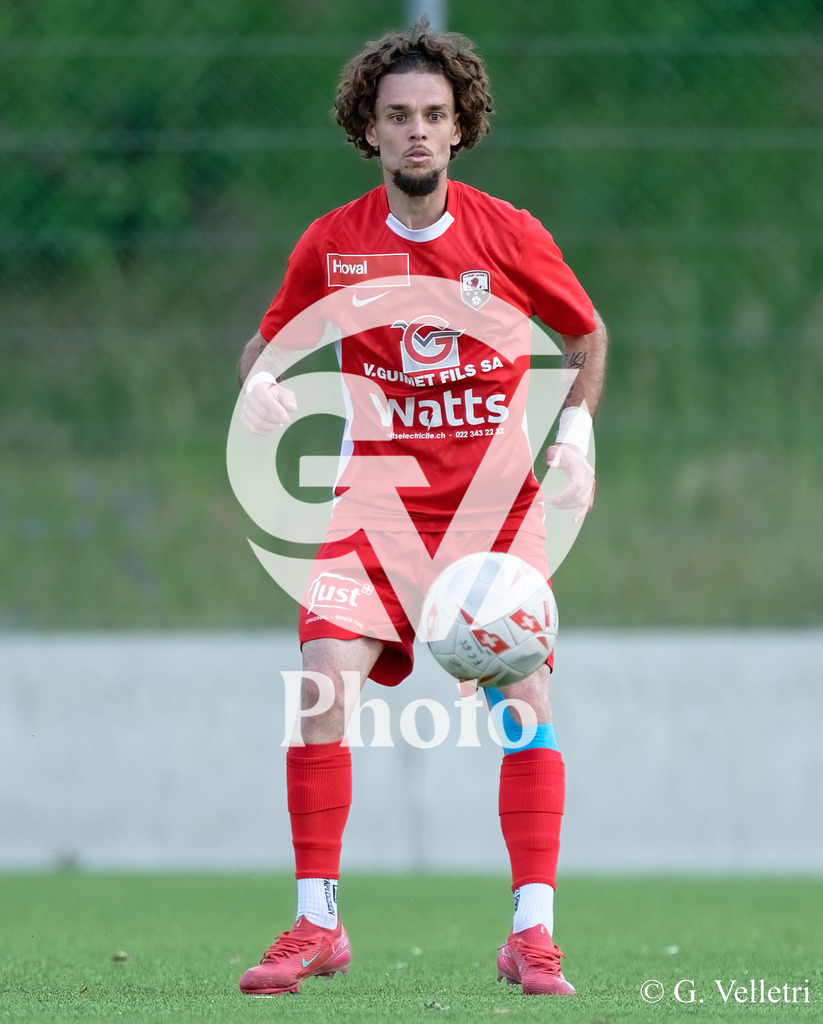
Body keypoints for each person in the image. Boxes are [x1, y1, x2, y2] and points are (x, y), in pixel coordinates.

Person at [235, 19, 608, 998]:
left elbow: (585, 333)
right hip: (373, 510)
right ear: (368, 129)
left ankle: (532, 934)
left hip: (492, 514)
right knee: (321, 681)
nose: (415, 132)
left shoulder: (507, 233)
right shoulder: (333, 243)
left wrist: (573, 437)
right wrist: (260, 385)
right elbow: (264, 345)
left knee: (522, 706)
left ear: (459, 128)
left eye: (433, 116)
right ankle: (317, 923)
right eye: (396, 115)